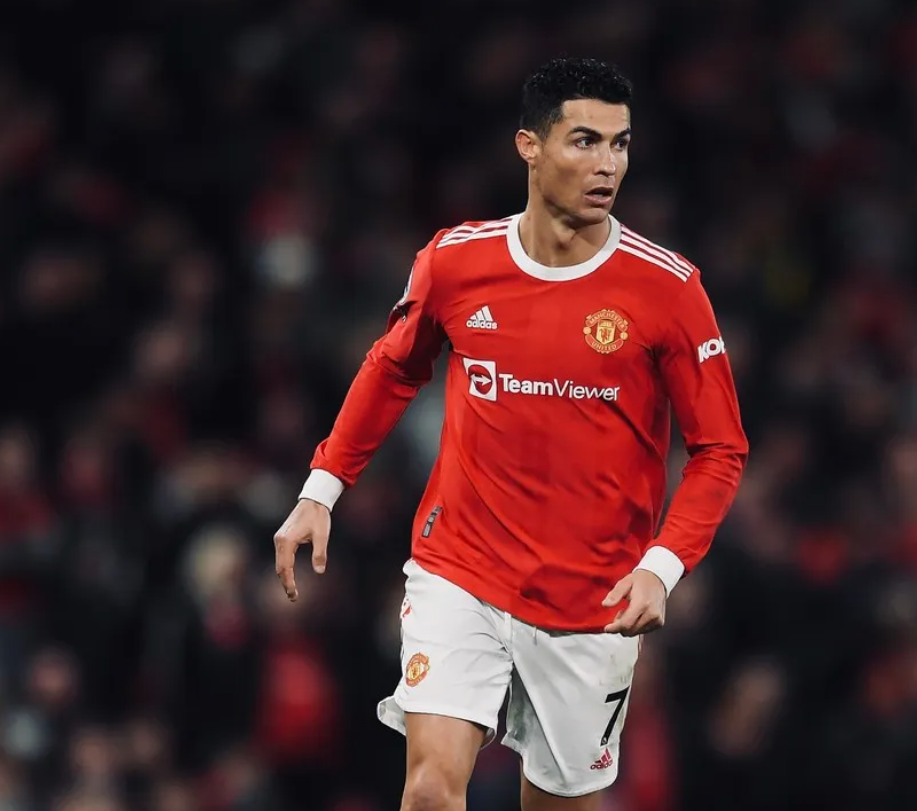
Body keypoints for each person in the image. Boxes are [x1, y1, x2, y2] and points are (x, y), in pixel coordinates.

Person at [273, 56, 748, 811]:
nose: (608, 165)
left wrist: (662, 567)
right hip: (461, 568)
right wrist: (321, 489)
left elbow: (720, 449)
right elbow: (393, 368)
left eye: (620, 144)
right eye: (585, 141)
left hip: (594, 599)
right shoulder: (457, 263)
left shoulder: (667, 289)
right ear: (529, 145)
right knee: (430, 789)